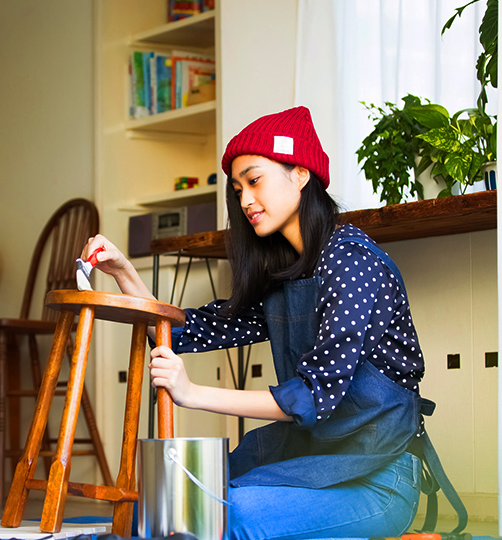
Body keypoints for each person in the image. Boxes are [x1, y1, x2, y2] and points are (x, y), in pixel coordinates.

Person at [81, 107, 448, 539]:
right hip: (311, 459)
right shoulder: (286, 276)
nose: (245, 200)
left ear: (300, 174)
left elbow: (314, 395)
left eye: (255, 181)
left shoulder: (351, 262)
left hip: (379, 479)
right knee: (170, 508)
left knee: (220, 518)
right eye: (237, 190)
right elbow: (186, 330)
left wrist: (192, 393)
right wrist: (124, 271)